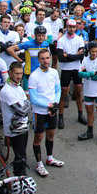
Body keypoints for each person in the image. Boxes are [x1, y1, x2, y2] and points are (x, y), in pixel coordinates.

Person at [28, 49, 63, 177]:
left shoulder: (54, 72)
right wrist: (48, 105)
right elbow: (33, 98)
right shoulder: (34, 76)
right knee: (38, 137)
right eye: (43, 58)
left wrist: (56, 103)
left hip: (51, 110)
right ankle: (39, 164)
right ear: (38, 60)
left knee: (51, 135)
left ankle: (49, 158)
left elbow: (57, 90)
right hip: (39, 111)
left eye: (48, 58)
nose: (46, 60)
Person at [0, 62, 30, 176]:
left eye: (21, 73)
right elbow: (22, 110)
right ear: (10, 73)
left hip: (23, 125)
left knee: (22, 154)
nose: (19, 76)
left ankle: (20, 177)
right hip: (14, 129)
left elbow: (26, 103)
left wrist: (26, 106)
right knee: (20, 156)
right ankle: (20, 178)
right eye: (16, 73)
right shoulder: (6, 90)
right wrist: (26, 106)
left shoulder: (19, 87)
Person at [56, 19, 86, 129]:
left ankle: (80, 114)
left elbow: (81, 56)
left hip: (77, 69)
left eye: (73, 27)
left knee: (78, 93)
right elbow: (60, 58)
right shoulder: (61, 40)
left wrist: (67, 55)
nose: (71, 29)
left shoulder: (79, 39)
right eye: (69, 27)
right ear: (66, 27)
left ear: (76, 28)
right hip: (66, 70)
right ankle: (61, 116)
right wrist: (74, 56)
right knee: (63, 94)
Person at [77, 41, 97, 144]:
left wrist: (87, 75)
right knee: (89, 112)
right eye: (92, 51)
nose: (94, 53)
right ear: (89, 51)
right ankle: (89, 132)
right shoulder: (85, 60)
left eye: (96, 51)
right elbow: (80, 74)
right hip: (88, 91)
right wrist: (92, 74)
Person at [7, 25, 50, 93]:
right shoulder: (28, 44)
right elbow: (10, 49)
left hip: (42, 72)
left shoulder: (46, 44)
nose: (41, 37)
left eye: (43, 35)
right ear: (35, 35)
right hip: (29, 73)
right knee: (28, 94)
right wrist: (19, 60)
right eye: (39, 35)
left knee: (40, 92)